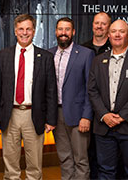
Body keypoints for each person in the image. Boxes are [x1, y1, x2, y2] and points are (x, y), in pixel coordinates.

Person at [0, 14, 57, 180]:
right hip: (9, 114)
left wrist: (51, 119)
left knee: (34, 166)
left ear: (34, 31)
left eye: (28, 29)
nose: (24, 32)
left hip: (33, 115)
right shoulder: (3, 55)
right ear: (15, 31)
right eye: (21, 29)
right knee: (10, 165)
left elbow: (51, 91)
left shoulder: (46, 57)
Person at [88, 19, 128, 179]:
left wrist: (122, 116)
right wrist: (104, 114)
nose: (117, 35)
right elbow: (92, 90)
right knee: (105, 171)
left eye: (121, 31)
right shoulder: (98, 60)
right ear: (108, 35)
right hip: (104, 126)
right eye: (114, 31)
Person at [48, 17, 94, 180]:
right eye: (60, 29)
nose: (63, 33)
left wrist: (86, 116)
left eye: (67, 29)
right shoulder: (49, 54)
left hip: (78, 115)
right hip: (56, 115)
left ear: (73, 32)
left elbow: (91, 88)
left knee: (81, 159)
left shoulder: (86, 54)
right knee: (64, 158)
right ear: (56, 32)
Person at [81, 11, 112, 179]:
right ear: (92, 25)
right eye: (96, 23)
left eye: (103, 23)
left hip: (109, 112)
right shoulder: (82, 48)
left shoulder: (115, 47)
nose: (99, 26)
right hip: (87, 111)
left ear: (109, 27)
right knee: (89, 154)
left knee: (110, 158)